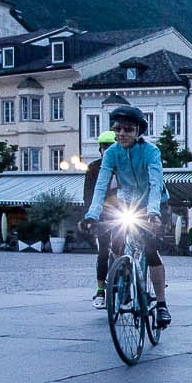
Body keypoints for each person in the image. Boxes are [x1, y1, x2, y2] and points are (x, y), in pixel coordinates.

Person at [82, 105, 172, 329]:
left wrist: (153, 213)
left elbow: (155, 183)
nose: (122, 133)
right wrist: (92, 215)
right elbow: (101, 186)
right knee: (117, 241)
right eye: (118, 129)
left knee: (150, 250)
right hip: (129, 202)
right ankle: (121, 281)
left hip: (153, 202)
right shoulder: (111, 153)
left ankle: (161, 304)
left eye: (128, 129)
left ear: (138, 131)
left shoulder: (151, 151)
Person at [83, 129, 116, 305]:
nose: (108, 150)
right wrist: (90, 217)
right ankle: (101, 289)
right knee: (104, 251)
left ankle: (132, 280)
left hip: (123, 212)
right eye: (105, 147)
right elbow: (88, 194)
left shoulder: (123, 165)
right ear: (100, 149)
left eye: (111, 147)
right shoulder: (94, 167)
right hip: (102, 214)